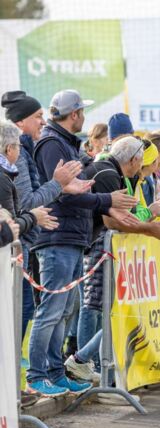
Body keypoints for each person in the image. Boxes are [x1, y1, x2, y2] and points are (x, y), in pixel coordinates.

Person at [27, 89, 139, 397]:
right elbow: (62, 193)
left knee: (64, 311)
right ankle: (37, 375)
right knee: (52, 311)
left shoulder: (63, 142)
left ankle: (54, 372)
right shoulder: (52, 143)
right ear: (74, 114)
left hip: (71, 236)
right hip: (57, 237)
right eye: (82, 112)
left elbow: (73, 190)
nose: (85, 118)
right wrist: (106, 200)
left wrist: (100, 199)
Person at [67, 137, 160, 384]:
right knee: (94, 307)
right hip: (95, 246)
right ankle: (85, 363)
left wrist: (148, 221)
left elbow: (125, 216)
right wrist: (149, 226)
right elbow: (112, 220)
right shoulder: (108, 173)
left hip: (96, 244)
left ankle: (87, 362)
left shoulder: (116, 173)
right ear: (134, 159)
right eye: (142, 162)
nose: (141, 168)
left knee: (113, 310)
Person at [1, 90, 88, 343]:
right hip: (19, 246)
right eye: (38, 116)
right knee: (33, 312)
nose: (43, 121)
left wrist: (61, 187)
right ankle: (26, 367)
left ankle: (40, 366)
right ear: (20, 123)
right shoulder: (20, 155)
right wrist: (58, 185)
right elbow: (27, 204)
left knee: (39, 310)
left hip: (24, 243)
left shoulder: (26, 151)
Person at [0, 121, 57, 243]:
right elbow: (10, 228)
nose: (20, 150)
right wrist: (33, 217)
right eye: (18, 146)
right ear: (9, 149)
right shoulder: (2, 179)